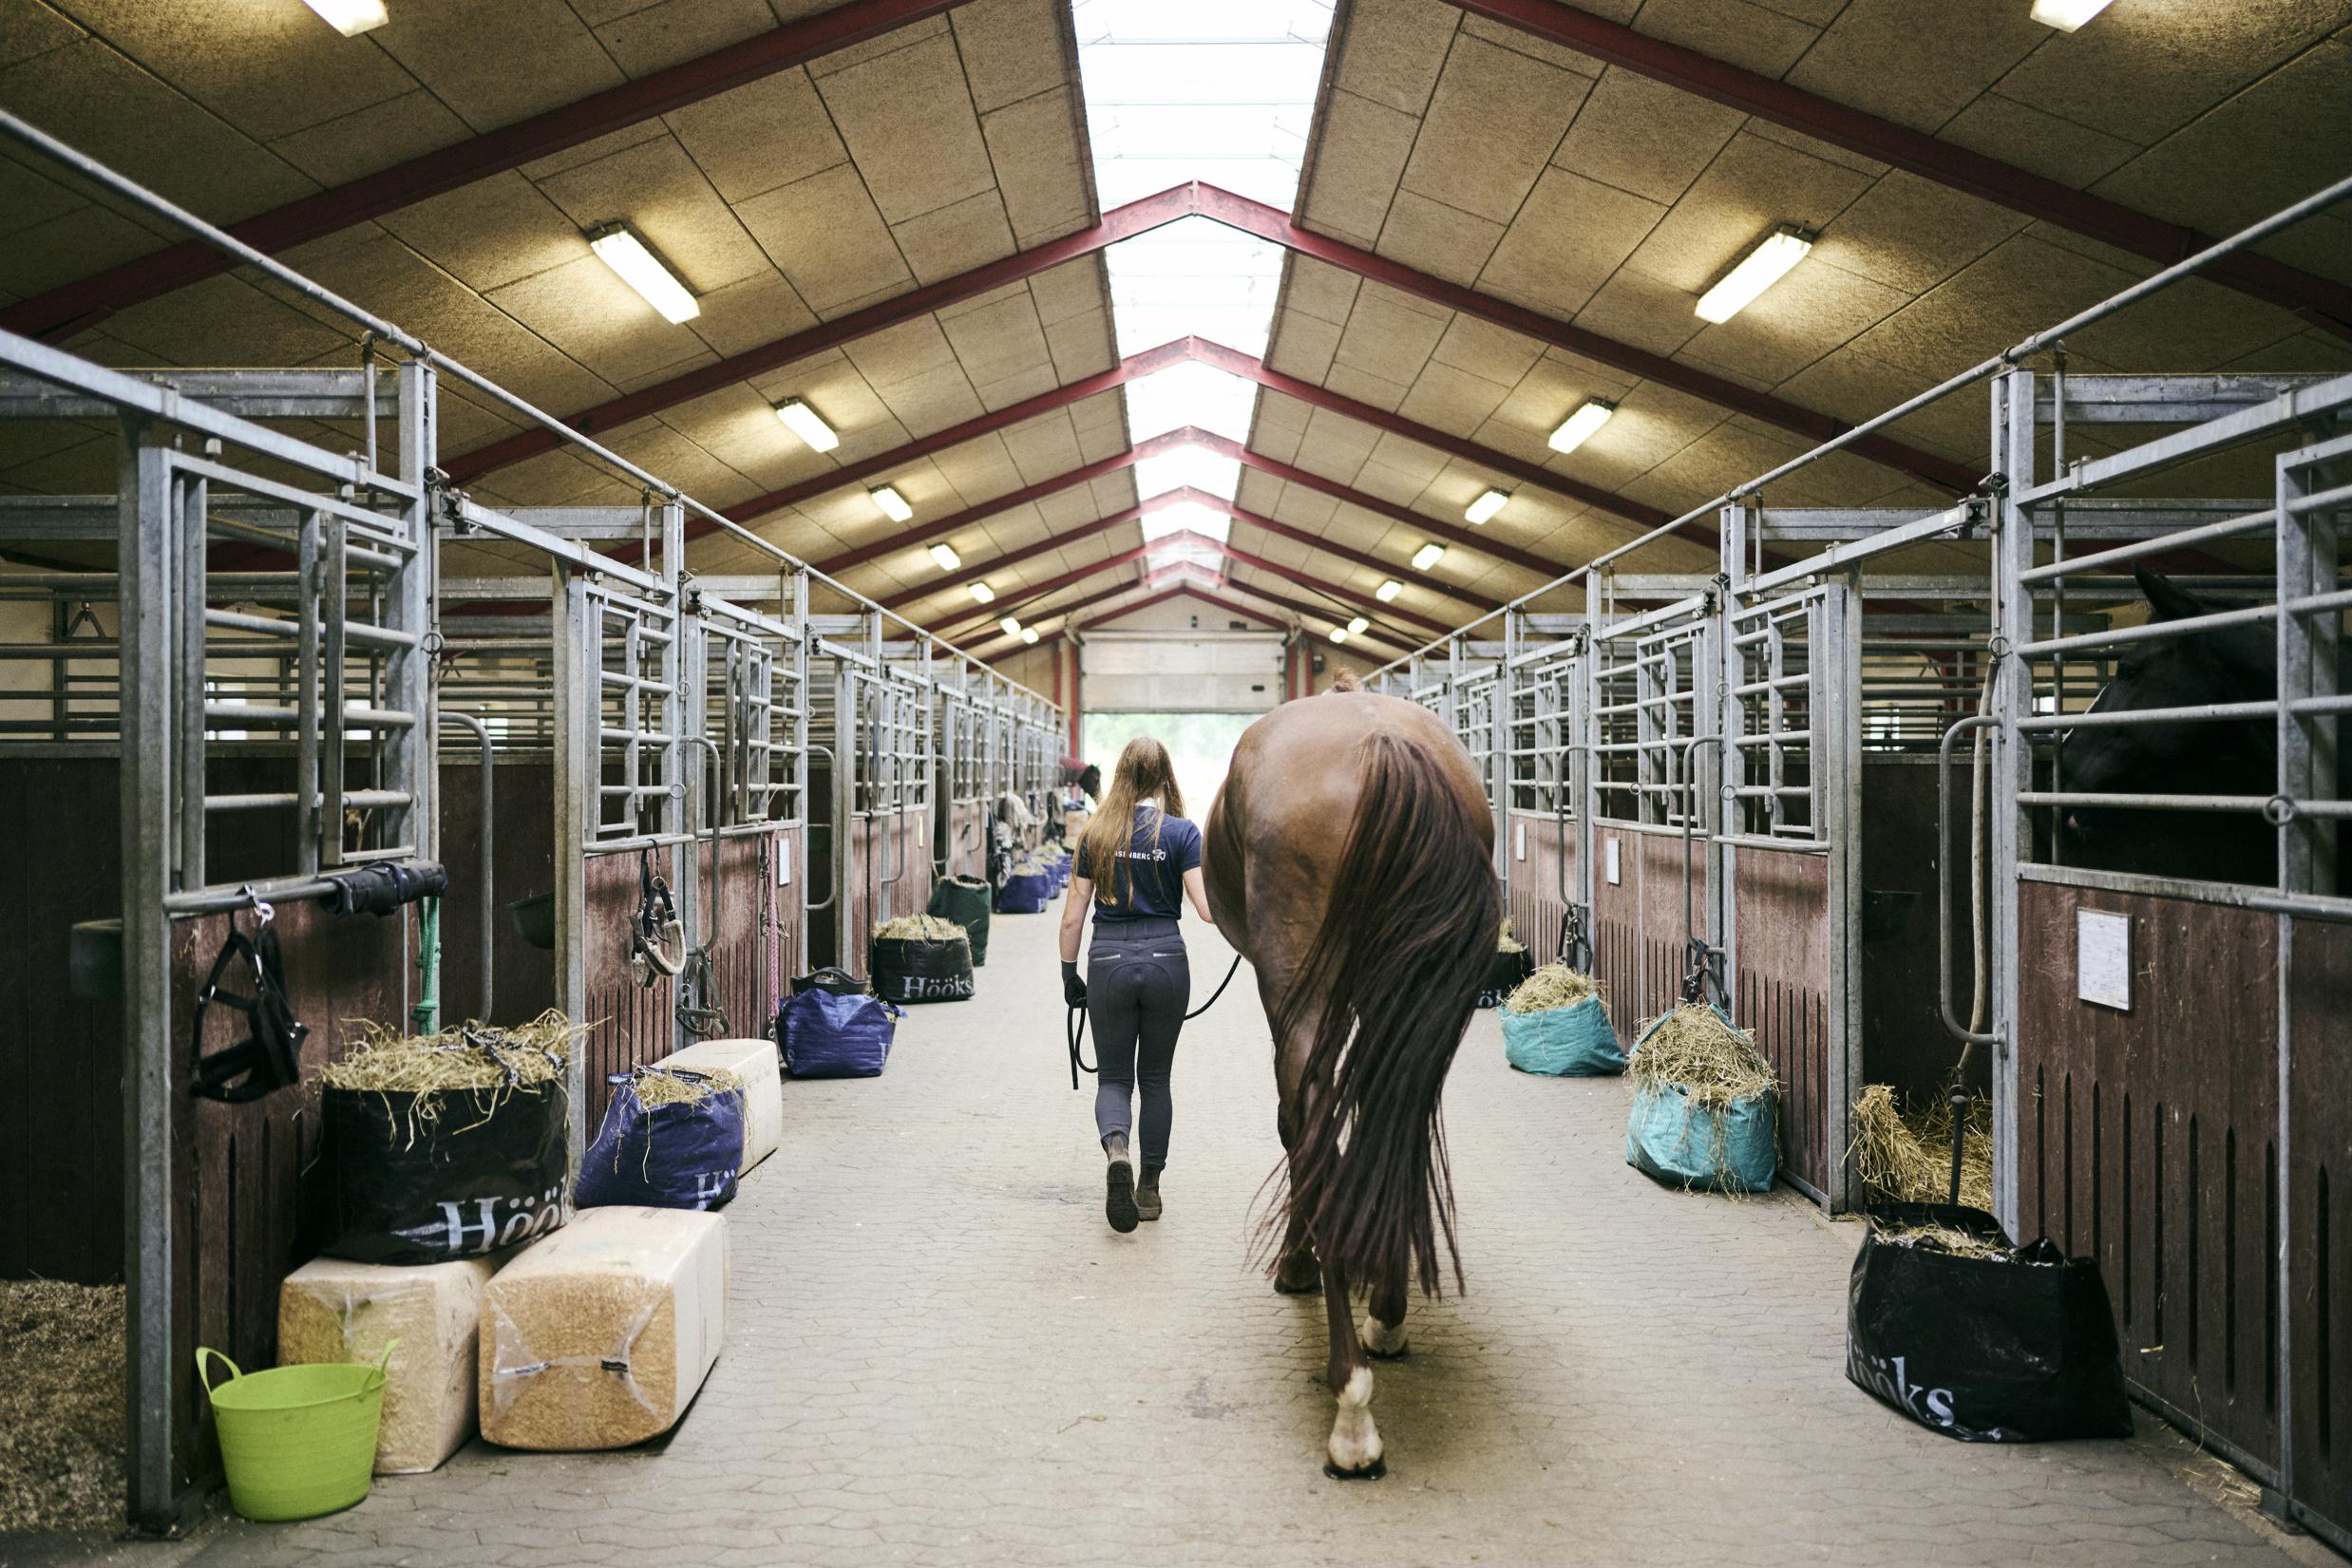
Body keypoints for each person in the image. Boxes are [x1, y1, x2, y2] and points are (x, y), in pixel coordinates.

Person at [1057, 736, 1214, 1234]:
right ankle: (1148, 1187)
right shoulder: (1183, 832)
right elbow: (1208, 910)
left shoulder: (1095, 833)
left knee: (1115, 1079)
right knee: (1156, 1080)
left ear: (1121, 775)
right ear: (1164, 777)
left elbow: (1071, 919)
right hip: (1168, 959)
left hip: (1109, 962)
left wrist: (1068, 973)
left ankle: (1117, 1151)